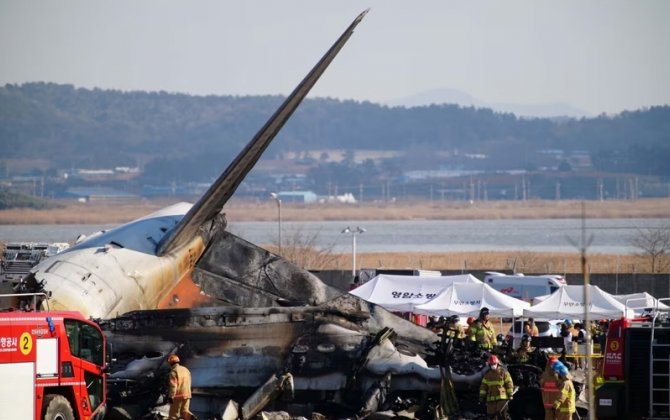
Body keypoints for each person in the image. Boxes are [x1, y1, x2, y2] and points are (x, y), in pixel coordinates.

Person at [479, 354, 514, 419]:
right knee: (491, 415)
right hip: (491, 399)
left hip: (502, 397)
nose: (493, 366)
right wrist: (482, 396)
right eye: (491, 364)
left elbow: (509, 383)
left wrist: (510, 394)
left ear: (498, 363)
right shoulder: (487, 375)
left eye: (494, 364)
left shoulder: (503, 373)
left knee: (502, 414)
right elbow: (483, 386)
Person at [167, 354, 192, 420]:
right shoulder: (186, 369)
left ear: (171, 363)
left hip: (178, 396)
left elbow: (173, 386)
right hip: (187, 394)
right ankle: (192, 418)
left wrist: (171, 397)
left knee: (173, 415)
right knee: (185, 412)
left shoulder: (173, 372)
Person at [540, 356, 560, 420]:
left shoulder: (544, 375)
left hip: (547, 402)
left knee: (549, 417)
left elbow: (541, 386)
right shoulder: (559, 375)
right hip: (556, 402)